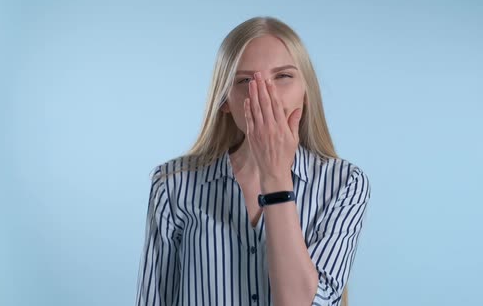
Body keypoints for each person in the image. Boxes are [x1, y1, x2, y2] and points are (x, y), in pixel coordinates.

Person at [134, 16, 371, 306]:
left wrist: (275, 177)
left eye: (283, 76)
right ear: (224, 101)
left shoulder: (345, 184)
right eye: (246, 81)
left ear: (306, 91)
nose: (266, 96)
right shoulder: (172, 185)